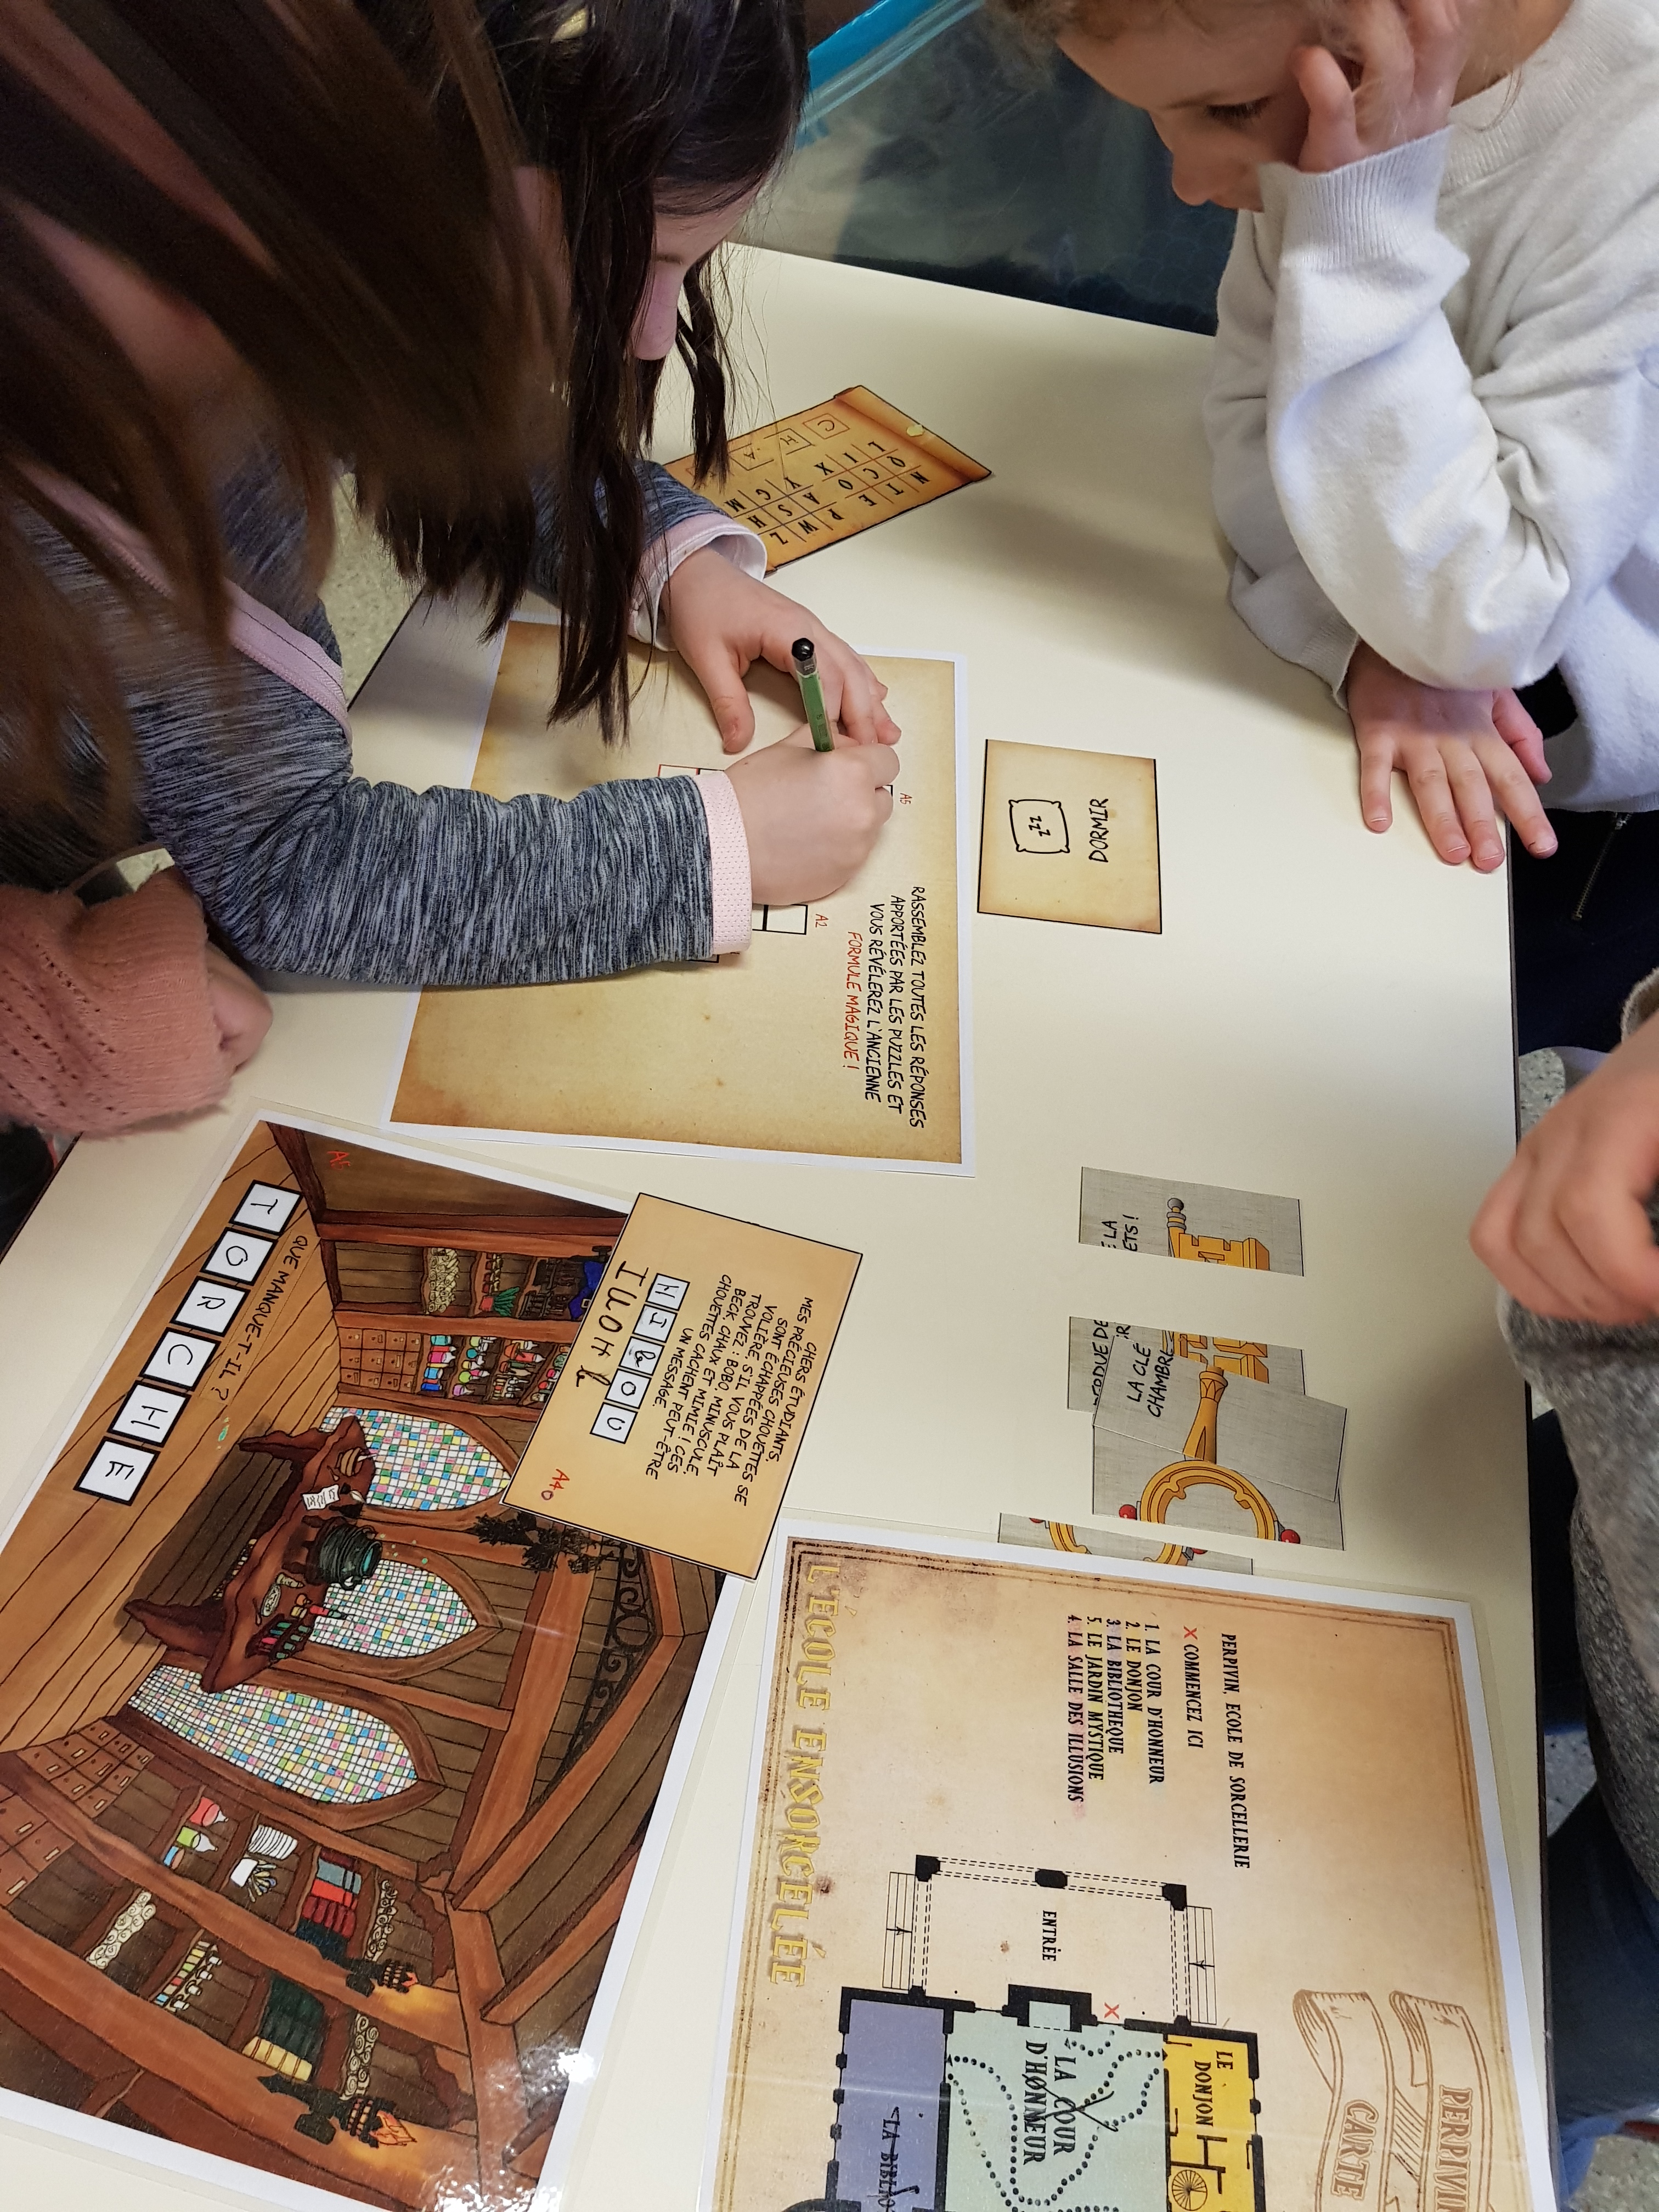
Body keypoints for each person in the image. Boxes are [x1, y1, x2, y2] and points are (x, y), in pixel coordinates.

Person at [0, 0, 898, 1177]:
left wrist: (659, 552)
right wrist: (710, 850)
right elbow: (293, 869)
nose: (648, 335)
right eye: (639, 259)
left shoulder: (269, 270)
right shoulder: (121, 409)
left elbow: (445, 414)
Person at [995, 0, 1659, 1048]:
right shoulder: (1332, 109)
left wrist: (1361, 229)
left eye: (1227, 110)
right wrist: (1359, 639)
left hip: (1599, 804)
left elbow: (1490, 617)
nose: (1188, 181)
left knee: (1529, 1067)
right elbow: (1257, 429)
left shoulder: (1616, 155)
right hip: (1428, 735)